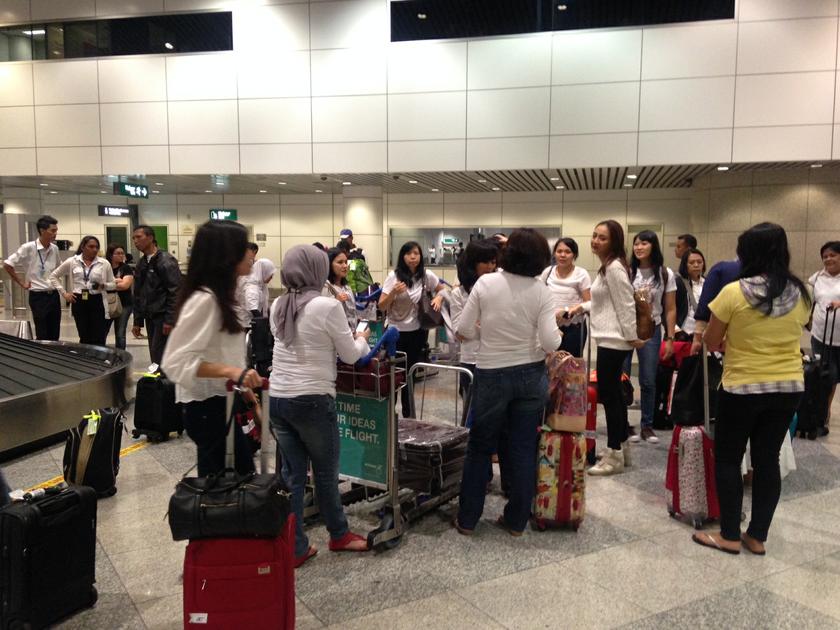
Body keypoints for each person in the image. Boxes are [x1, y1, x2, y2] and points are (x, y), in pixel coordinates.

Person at [692, 223, 810, 556]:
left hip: (742, 387)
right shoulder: (802, 293)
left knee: (728, 458)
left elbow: (711, 341)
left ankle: (729, 535)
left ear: (749, 255)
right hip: (788, 387)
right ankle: (757, 536)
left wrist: (732, 342)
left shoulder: (734, 292)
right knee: (767, 460)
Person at [454, 228, 562, 536]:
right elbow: (551, 342)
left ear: (507, 253)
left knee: (479, 447)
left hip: (491, 373)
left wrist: (483, 331)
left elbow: (463, 329)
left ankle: (468, 520)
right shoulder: (542, 290)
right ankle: (516, 521)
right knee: (523, 447)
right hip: (531, 375)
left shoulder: (486, 283)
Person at [269, 245, 371, 567]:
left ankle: (294, 546)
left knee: (293, 476)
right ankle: (339, 534)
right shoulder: (326, 306)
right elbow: (352, 355)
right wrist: (363, 335)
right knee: (326, 474)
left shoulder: (278, 304)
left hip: (279, 399)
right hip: (312, 400)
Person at [161, 221, 261, 477]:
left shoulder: (221, 296)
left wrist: (245, 389)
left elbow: (219, 352)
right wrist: (232, 372)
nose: (251, 254)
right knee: (230, 486)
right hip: (205, 408)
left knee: (231, 484)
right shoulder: (205, 300)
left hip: (220, 402)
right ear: (226, 256)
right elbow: (175, 362)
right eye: (243, 248)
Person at [584, 221, 645, 475]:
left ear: (614, 242)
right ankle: (620, 449)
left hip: (614, 340)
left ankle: (614, 455)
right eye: (594, 235)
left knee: (609, 398)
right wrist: (579, 308)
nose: (596, 241)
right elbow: (604, 304)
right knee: (615, 397)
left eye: (603, 238)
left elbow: (625, 305)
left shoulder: (615, 268)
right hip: (610, 338)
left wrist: (632, 336)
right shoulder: (607, 267)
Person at [379, 241, 446, 417]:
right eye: (409, 253)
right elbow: (382, 306)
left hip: (418, 332)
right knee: (393, 376)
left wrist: (438, 298)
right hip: (395, 333)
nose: (413, 257)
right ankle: (389, 416)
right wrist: (393, 292)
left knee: (410, 375)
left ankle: (409, 417)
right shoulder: (393, 277)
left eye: (416, 253)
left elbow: (443, 289)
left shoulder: (426, 275)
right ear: (403, 256)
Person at [623, 230, 677, 445]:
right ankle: (623, 424)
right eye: (636, 244)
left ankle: (647, 424)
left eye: (644, 243)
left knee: (648, 379)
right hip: (625, 330)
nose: (639, 247)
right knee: (623, 379)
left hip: (651, 330)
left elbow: (670, 308)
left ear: (653, 246)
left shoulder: (665, 274)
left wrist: (670, 337)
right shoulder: (626, 272)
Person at [450, 238, 499, 410]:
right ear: (472, 263)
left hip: (497, 359)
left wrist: (476, 325)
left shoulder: (500, 290)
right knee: (471, 410)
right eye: (484, 262)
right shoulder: (459, 294)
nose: (490, 267)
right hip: (471, 359)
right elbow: (460, 333)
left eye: (493, 262)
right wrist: (485, 326)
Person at [3, 215, 62, 340]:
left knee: (55, 330)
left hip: (54, 295)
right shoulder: (28, 247)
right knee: (42, 332)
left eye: (56, 230)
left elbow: (59, 268)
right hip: (38, 296)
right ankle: (42, 357)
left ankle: (54, 357)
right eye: (53, 230)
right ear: (42, 230)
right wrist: (21, 283)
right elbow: (8, 264)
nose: (55, 233)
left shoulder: (55, 249)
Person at [49, 236, 115, 346]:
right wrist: (64, 294)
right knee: (84, 335)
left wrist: (103, 286)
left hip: (97, 300)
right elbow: (53, 276)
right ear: (83, 247)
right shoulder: (72, 261)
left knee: (98, 335)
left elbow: (113, 285)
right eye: (91, 246)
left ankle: (99, 360)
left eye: (96, 247)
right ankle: (85, 360)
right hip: (79, 299)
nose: (94, 249)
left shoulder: (104, 263)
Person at [131, 226, 181, 366]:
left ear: (151, 238)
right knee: (155, 353)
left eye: (139, 237)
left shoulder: (165, 261)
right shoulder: (142, 263)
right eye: (133, 238)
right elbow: (138, 294)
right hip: (150, 316)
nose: (135, 241)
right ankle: (157, 383)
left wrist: (170, 320)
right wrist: (137, 321)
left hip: (163, 317)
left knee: (160, 353)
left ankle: (164, 383)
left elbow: (175, 292)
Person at [808, 241, 840, 436]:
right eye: (825, 256)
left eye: (833, 255)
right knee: (826, 376)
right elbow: (808, 301)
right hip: (821, 336)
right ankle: (822, 412)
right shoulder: (817, 278)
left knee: (835, 377)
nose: (828, 259)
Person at [541, 237, 592, 357]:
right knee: (550, 366)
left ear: (574, 255)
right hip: (550, 326)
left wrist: (569, 311)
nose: (563, 255)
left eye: (567, 252)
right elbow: (539, 298)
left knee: (571, 367)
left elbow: (589, 303)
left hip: (574, 328)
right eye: (559, 251)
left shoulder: (581, 274)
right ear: (554, 253)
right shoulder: (547, 272)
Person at [690, 258, 742, 356]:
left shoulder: (723, 270)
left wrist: (697, 337)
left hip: (731, 341)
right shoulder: (776, 277)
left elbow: (706, 302)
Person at [104, 244, 134, 350]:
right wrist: (116, 281)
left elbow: (125, 285)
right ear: (111, 255)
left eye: (122, 253)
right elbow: (98, 284)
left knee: (120, 333)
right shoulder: (105, 267)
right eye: (118, 253)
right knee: (103, 331)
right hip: (107, 303)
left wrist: (107, 284)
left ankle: (120, 358)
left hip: (124, 304)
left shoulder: (126, 268)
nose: (121, 255)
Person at [323, 247, 357, 330]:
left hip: (350, 335)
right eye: (340, 262)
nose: (345, 266)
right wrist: (335, 301)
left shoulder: (347, 287)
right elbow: (322, 315)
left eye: (346, 262)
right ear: (330, 264)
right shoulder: (325, 287)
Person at [677, 248, 706, 341]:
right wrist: (677, 331)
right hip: (684, 333)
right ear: (685, 265)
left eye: (699, 262)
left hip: (705, 331)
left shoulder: (708, 282)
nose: (696, 265)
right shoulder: (678, 283)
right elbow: (669, 309)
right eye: (692, 262)